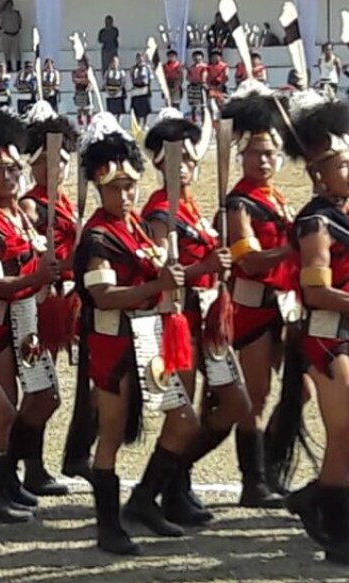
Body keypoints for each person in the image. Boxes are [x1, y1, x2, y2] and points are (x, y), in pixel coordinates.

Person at [65, 111, 198, 556]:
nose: (124, 194)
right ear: (99, 188)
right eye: (115, 187)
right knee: (113, 434)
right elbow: (103, 295)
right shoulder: (98, 236)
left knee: (184, 421)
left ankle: (143, 499)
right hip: (113, 345)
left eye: (129, 186)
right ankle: (108, 526)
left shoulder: (136, 225)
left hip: (148, 339)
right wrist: (155, 284)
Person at [140, 110, 244, 527]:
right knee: (182, 414)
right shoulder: (159, 211)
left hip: (207, 317)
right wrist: (207, 267)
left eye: (187, 157)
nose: (182, 165)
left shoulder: (192, 206)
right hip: (177, 319)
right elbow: (162, 271)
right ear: (159, 162)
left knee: (234, 404)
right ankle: (154, 494)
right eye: (174, 158)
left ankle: (175, 480)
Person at [0, 109, 63, 522]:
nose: (8, 177)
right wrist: (36, 276)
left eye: (13, 169)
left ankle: (8, 477)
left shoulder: (20, 214)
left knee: (44, 396)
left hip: (25, 320)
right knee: (2, 410)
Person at [221, 84, 299, 508]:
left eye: (269, 153)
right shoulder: (239, 203)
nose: (263, 160)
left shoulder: (277, 197)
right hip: (251, 309)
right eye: (255, 153)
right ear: (242, 156)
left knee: (299, 390)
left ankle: (269, 466)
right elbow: (249, 261)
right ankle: (253, 481)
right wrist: (294, 248)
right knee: (255, 394)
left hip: (280, 308)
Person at [283, 95, 349, 565]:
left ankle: (316, 499)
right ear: (318, 173)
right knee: (345, 431)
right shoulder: (315, 222)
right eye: (342, 164)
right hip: (328, 337)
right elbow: (317, 290)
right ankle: (338, 533)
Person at [17, 103, 81, 495]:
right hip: (39, 305)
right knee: (43, 392)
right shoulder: (31, 204)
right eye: (51, 162)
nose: (59, 168)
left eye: (63, 162)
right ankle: (20, 463)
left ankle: (31, 467)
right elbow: (29, 252)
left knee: (45, 389)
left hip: (62, 302)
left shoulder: (66, 203)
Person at [129, 53, 152, 130]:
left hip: (144, 88)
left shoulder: (147, 68)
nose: (140, 60)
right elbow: (131, 77)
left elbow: (150, 78)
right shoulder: (133, 68)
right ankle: (138, 124)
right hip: (136, 89)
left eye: (141, 58)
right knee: (136, 108)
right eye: (138, 58)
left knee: (145, 108)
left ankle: (144, 124)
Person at [0, 0, 22, 72]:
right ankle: (8, 67)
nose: (9, 7)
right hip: (7, 34)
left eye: (10, 5)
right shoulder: (3, 15)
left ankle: (18, 66)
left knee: (17, 51)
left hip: (15, 34)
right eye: (8, 5)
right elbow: (1, 24)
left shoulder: (16, 13)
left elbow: (20, 23)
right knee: (7, 52)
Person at [186, 50, 208, 123]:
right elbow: (188, 77)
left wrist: (203, 82)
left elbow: (205, 76)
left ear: (202, 57)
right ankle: (194, 119)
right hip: (193, 86)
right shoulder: (191, 67)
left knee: (203, 104)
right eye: (195, 56)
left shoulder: (205, 66)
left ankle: (204, 120)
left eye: (198, 56)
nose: (196, 57)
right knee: (193, 105)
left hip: (202, 86)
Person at [104, 55, 126, 123]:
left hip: (118, 93)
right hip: (110, 93)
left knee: (119, 110)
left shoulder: (121, 72)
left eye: (116, 62)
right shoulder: (108, 72)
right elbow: (105, 83)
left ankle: (118, 123)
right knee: (111, 111)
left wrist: (116, 91)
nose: (114, 64)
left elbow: (123, 83)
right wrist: (108, 91)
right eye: (113, 62)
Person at [73, 57, 93, 127]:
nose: (81, 65)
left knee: (88, 109)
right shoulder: (76, 72)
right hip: (79, 91)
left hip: (86, 91)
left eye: (83, 64)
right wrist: (84, 80)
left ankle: (88, 125)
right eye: (80, 64)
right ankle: (81, 126)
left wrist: (82, 81)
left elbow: (90, 81)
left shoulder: (89, 72)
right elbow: (75, 80)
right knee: (79, 109)